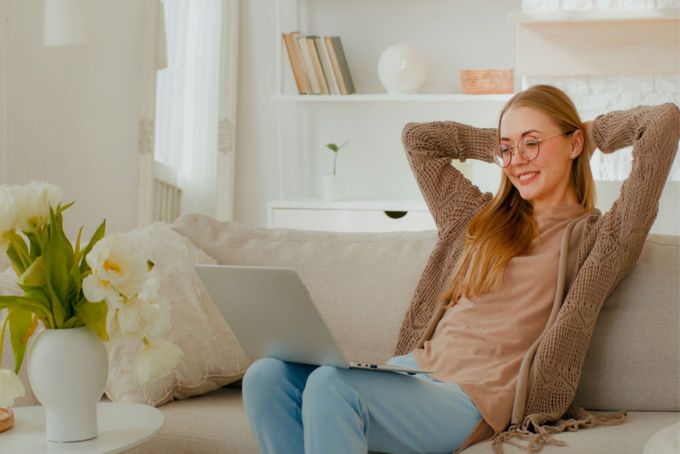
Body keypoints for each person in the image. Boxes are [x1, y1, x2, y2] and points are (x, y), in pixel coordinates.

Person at [241, 85, 680, 454]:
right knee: (266, 375)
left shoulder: (600, 242)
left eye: (532, 143)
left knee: (331, 387)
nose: (517, 160)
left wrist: (588, 131)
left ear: (573, 144)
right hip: (410, 373)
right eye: (507, 149)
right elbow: (419, 140)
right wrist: (500, 144)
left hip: (470, 399)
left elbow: (662, 123)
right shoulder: (474, 220)